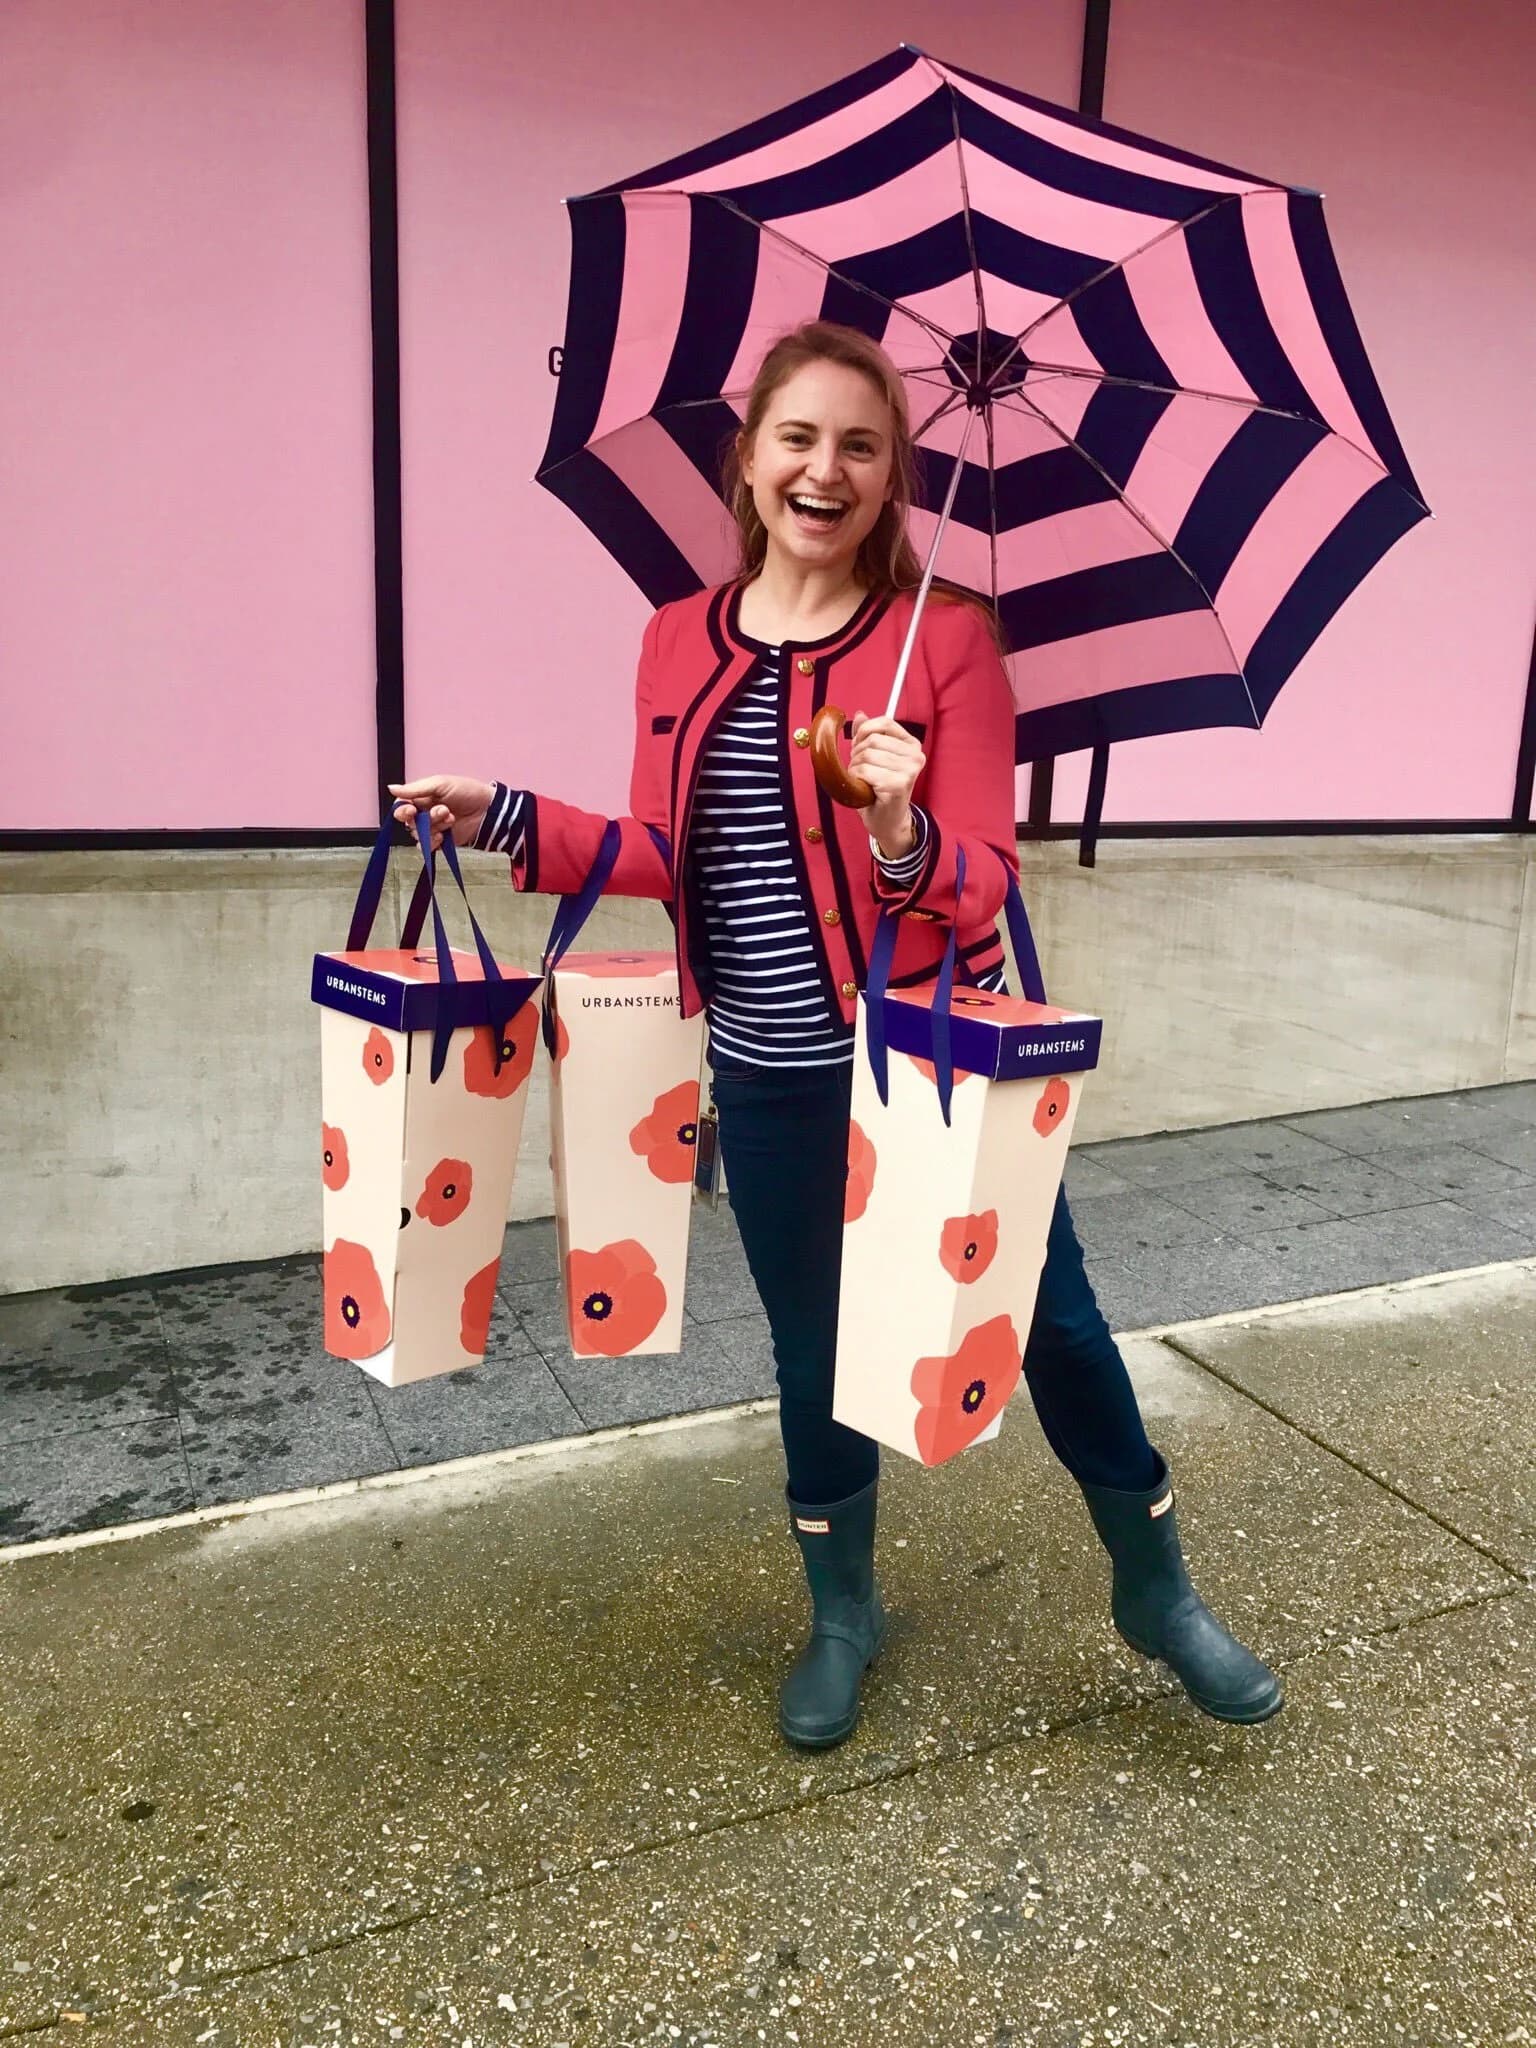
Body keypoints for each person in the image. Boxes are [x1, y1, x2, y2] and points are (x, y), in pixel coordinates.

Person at [391, 320, 1283, 1749]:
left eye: (861, 447)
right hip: (768, 1075)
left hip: (931, 1070)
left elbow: (986, 874)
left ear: (892, 478)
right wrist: (500, 812)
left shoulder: (950, 642)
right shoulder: (675, 636)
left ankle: (1157, 1588)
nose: (827, 469)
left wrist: (901, 822)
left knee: (1050, 1323)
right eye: (799, 438)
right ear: (749, 459)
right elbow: (666, 848)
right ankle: (843, 1614)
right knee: (816, 1349)